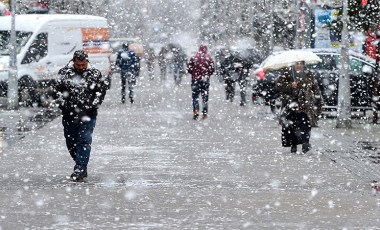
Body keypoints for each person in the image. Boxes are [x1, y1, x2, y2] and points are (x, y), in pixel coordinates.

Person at [54, 50, 108, 182]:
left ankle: (80, 168)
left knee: (84, 140)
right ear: (73, 62)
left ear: (87, 61)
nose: (81, 67)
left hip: (88, 114)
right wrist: (62, 104)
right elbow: (56, 90)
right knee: (71, 142)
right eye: (78, 65)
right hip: (69, 114)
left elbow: (100, 91)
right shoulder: (64, 73)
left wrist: (94, 105)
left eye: (83, 64)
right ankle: (80, 163)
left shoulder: (95, 74)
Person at [275, 61, 323, 153]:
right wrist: (290, 86)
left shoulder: (308, 74)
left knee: (305, 124)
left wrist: (318, 101)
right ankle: (293, 144)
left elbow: (315, 88)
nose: (299, 65)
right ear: (294, 64)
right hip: (290, 105)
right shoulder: (287, 73)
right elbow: (278, 86)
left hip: (305, 105)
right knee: (291, 125)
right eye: (297, 63)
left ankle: (305, 143)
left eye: (301, 63)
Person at [187, 44, 215, 120]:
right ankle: (205, 113)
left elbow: (189, 68)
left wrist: (194, 74)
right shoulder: (209, 58)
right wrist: (207, 74)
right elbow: (212, 69)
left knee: (195, 96)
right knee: (205, 97)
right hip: (205, 80)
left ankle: (196, 110)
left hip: (195, 79)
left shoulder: (194, 57)